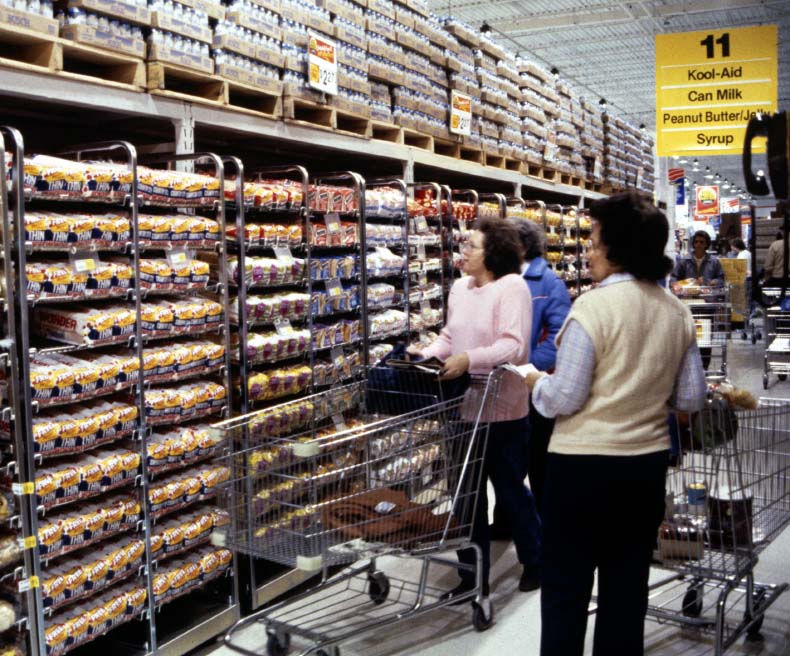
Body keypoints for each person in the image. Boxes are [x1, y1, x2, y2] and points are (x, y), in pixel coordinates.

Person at [524, 193, 707, 656]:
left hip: (580, 469)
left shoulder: (593, 308)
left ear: (618, 248)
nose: (588, 250)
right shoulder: (676, 311)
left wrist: (533, 384)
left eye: (595, 241)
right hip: (644, 468)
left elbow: (564, 396)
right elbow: (690, 397)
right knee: (626, 591)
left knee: (566, 589)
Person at [410, 218, 542, 605]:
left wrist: (470, 360)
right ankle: (472, 575)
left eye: (471, 246)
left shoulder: (512, 287)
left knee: (511, 493)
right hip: (464, 408)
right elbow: (451, 336)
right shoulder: (459, 289)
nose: (462, 252)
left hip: (504, 409)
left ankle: (535, 559)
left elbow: (514, 346)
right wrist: (427, 356)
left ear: (493, 254)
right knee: (465, 498)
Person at [491, 219, 570, 535]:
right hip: (501, 388)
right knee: (507, 462)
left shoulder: (548, 283)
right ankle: (506, 521)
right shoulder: (498, 279)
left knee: (539, 462)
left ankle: (543, 529)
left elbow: (558, 337)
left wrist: (526, 370)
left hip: (534, 385)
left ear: (521, 246)